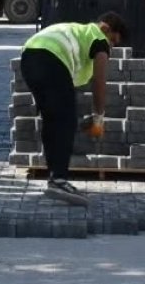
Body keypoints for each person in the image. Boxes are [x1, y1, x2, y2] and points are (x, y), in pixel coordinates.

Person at [18, 12, 128, 206]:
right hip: (51, 59)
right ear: (107, 29)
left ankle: (55, 178)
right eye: (113, 41)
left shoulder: (80, 32)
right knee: (66, 120)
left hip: (28, 57)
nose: (111, 46)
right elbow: (99, 81)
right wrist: (99, 117)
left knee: (53, 118)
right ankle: (58, 180)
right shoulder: (98, 38)